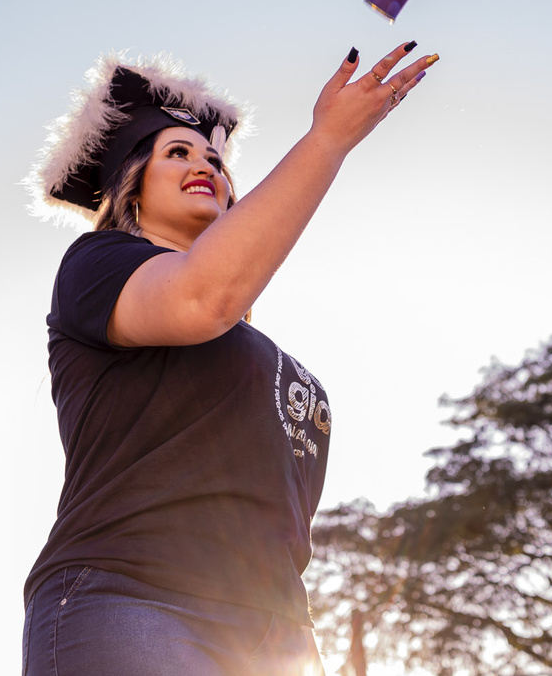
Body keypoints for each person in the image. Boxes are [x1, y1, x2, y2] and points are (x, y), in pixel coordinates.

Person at [21, 42, 437, 676]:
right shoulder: (95, 266)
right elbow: (203, 297)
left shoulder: (266, 354)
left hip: (277, 636)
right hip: (136, 596)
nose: (205, 165)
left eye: (215, 159)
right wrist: (328, 140)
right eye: (177, 153)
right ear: (131, 185)